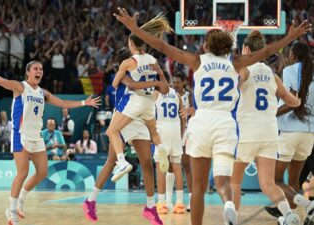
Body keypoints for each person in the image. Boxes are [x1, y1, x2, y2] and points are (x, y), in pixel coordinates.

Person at [113, 7, 311, 225]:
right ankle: (228, 203)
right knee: (225, 181)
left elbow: (162, 45)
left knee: (198, 187)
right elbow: (265, 52)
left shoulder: (197, 60)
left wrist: (133, 28)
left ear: (206, 45)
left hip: (202, 122)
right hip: (226, 124)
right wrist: (291, 36)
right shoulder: (235, 63)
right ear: (228, 46)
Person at [0, 57, 100, 225]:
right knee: (23, 173)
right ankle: (11, 211)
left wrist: (85, 102)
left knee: (42, 173)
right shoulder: (20, 87)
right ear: (28, 72)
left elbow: (62, 103)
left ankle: (21, 200)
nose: (39, 71)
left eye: (40, 69)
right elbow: (1, 80)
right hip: (21, 135)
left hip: (37, 136)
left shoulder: (43, 93)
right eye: (35, 69)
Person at [83, 49, 169, 225]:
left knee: (146, 162)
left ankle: (150, 207)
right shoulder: (123, 75)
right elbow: (132, 85)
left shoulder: (145, 70)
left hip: (140, 117)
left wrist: (158, 77)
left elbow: (160, 90)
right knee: (111, 161)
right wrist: (155, 82)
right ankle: (91, 200)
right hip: (124, 115)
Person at [230, 31, 302, 225]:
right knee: (268, 184)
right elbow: (291, 101)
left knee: (235, 182)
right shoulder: (273, 75)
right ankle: (288, 215)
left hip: (247, 133)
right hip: (270, 133)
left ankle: (233, 220)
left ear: (246, 49)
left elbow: (236, 85)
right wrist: (298, 100)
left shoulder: (244, 69)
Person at [106, 13, 171, 183]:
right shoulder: (153, 60)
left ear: (132, 43)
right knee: (153, 132)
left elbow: (114, 84)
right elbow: (163, 82)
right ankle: (161, 147)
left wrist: (122, 75)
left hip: (136, 100)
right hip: (150, 102)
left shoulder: (128, 62)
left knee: (112, 131)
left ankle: (121, 161)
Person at [265, 41, 314, 224]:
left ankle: (307, 206)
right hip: (309, 133)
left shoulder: (289, 70)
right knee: (294, 180)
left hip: (289, 131)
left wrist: (272, 113)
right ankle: (291, 217)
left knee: (274, 179)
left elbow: (294, 101)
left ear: (293, 55)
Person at [153, 72, 187, 214]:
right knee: (177, 168)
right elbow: (183, 117)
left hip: (162, 130)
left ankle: (161, 203)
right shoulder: (177, 95)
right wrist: (180, 135)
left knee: (161, 167)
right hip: (175, 131)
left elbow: (150, 116)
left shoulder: (156, 94)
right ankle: (179, 204)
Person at [167, 71, 194, 212]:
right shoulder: (170, 95)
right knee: (171, 166)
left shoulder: (190, 96)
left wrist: (191, 110)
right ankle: (168, 200)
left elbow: (197, 110)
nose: (175, 84)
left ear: (184, 82)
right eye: (173, 82)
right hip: (173, 132)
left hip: (188, 132)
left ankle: (191, 200)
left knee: (187, 165)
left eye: (178, 82)